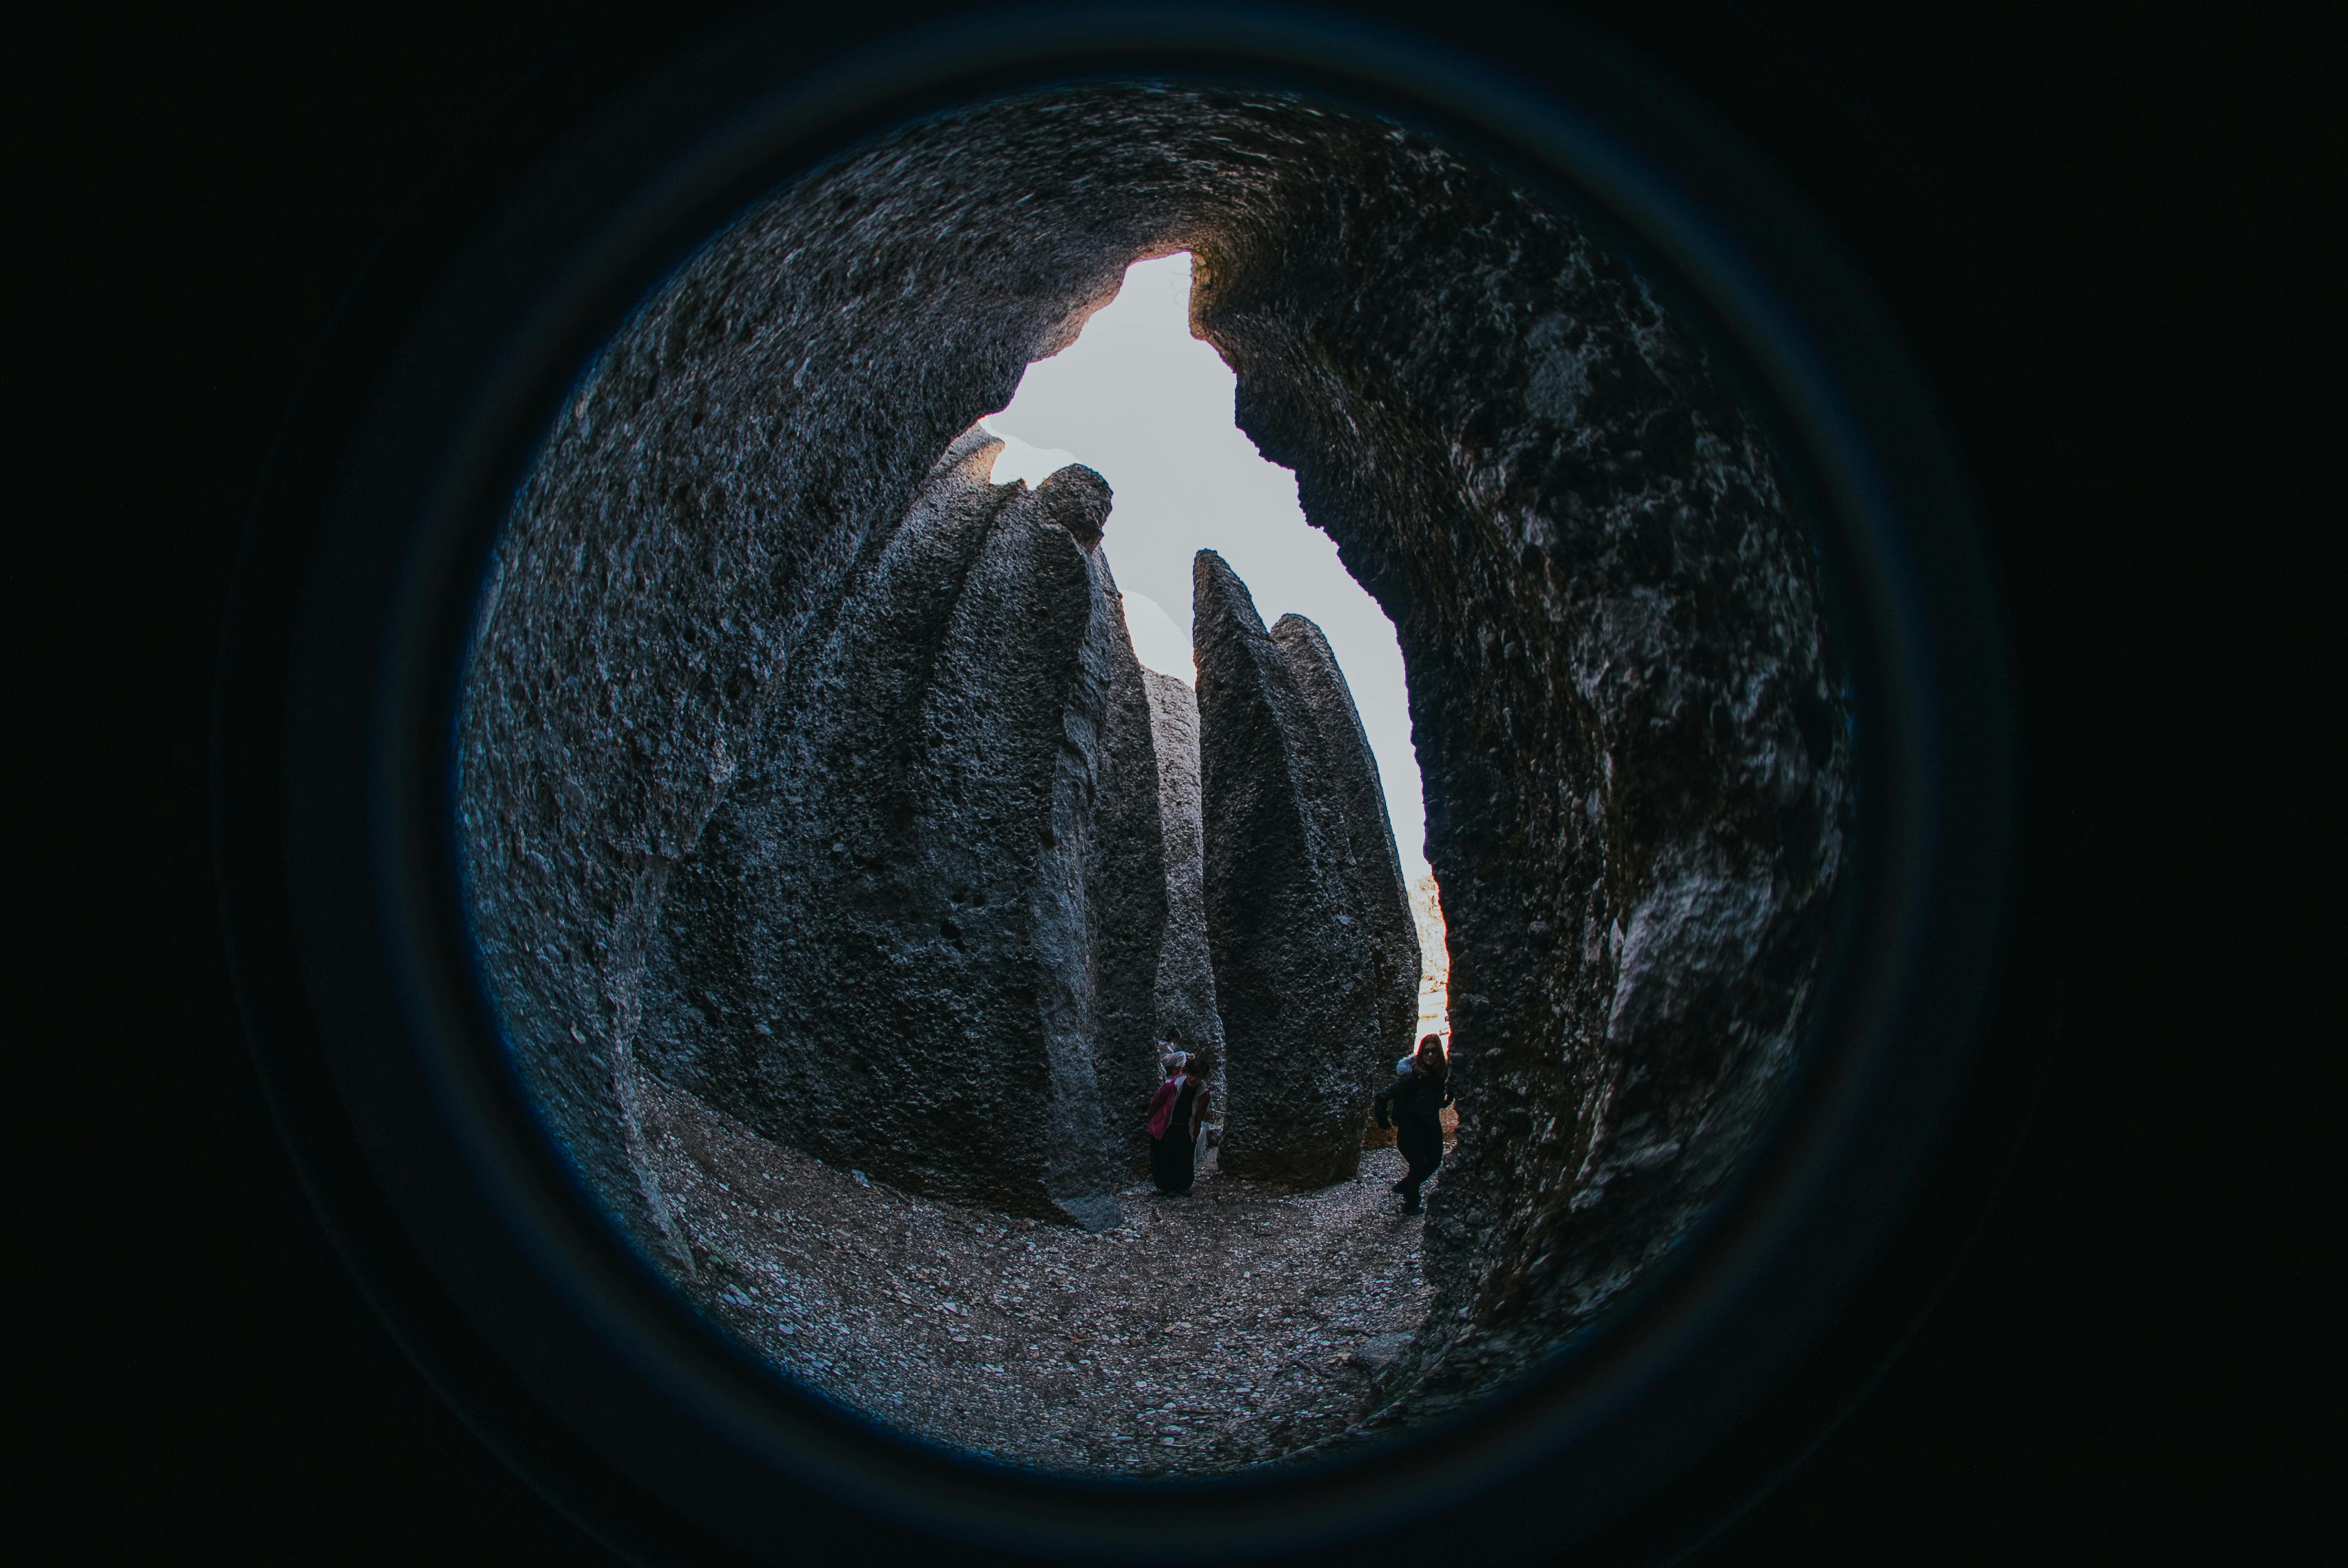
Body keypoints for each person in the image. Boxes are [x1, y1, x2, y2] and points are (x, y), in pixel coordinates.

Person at [1374, 1034, 1452, 1213]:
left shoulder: (1441, 1076)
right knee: (1417, 1164)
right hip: (1411, 1128)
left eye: (1434, 1051)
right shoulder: (1412, 1078)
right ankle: (1412, 1202)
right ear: (1421, 1054)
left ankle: (1409, 1185)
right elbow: (1383, 1096)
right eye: (1427, 1051)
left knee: (1433, 1161)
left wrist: (1447, 1100)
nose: (1430, 1055)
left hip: (1431, 1125)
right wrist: (1383, 1120)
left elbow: (1443, 1095)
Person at [1146, 1048, 1214, 1196]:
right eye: (1192, 1074)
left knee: (1184, 1156)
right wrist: (1153, 1122)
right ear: (1187, 1072)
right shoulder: (1172, 1086)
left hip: (1186, 1127)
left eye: (1198, 1076)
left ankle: (1183, 1185)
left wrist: (1195, 1130)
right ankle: (1168, 1186)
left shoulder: (1203, 1093)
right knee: (1166, 1156)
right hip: (1168, 1125)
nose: (1193, 1079)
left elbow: (1200, 1113)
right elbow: (1156, 1103)